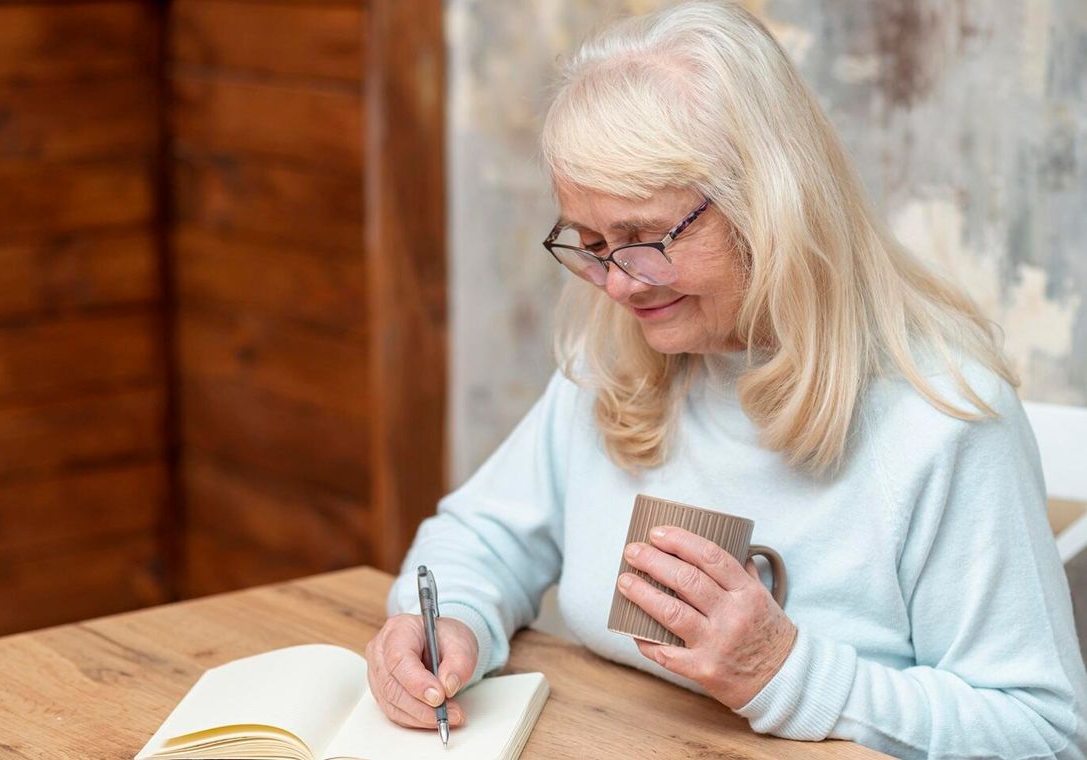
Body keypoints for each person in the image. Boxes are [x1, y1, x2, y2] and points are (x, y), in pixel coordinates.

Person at [362, 1, 1087, 756]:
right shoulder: (615, 357)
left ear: (771, 200)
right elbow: (483, 537)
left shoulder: (945, 420)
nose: (617, 284)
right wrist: (452, 618)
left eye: (646, 238)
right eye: (591, 242)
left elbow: (1042, 733)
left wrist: (789, 672)